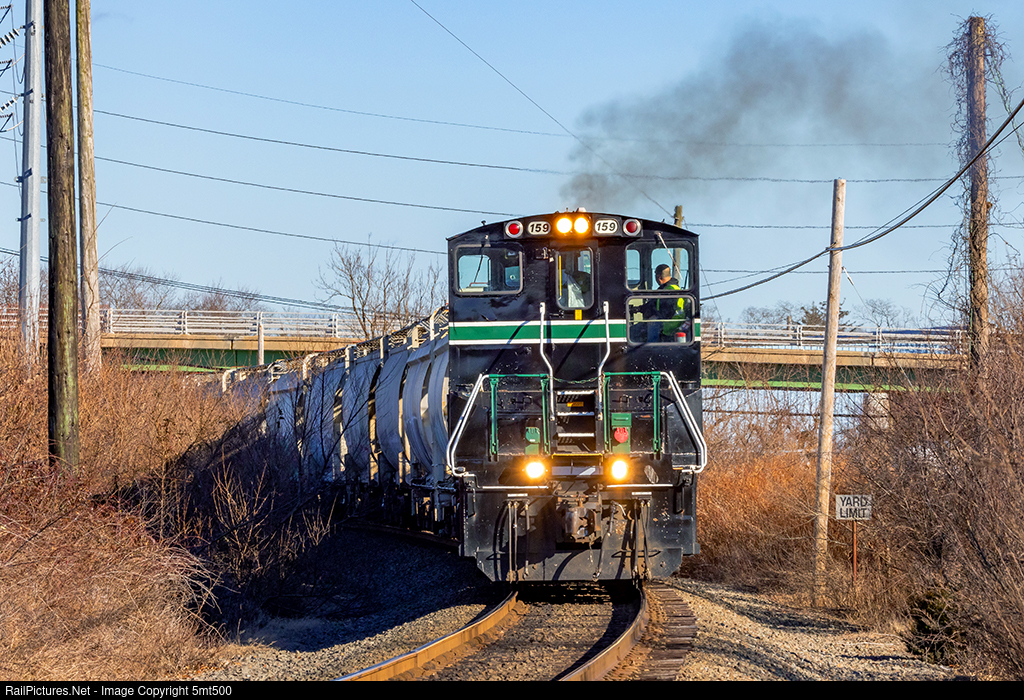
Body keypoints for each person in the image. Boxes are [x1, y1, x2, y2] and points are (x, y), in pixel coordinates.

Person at [646, 264, 689, 342]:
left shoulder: (668, 292)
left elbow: (667, 312)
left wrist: (655, 316)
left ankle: (651, 347)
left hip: (670, 327)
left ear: (659, 277)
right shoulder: (674, 289)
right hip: (675, 325)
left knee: (652, 323)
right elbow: (653, 304)